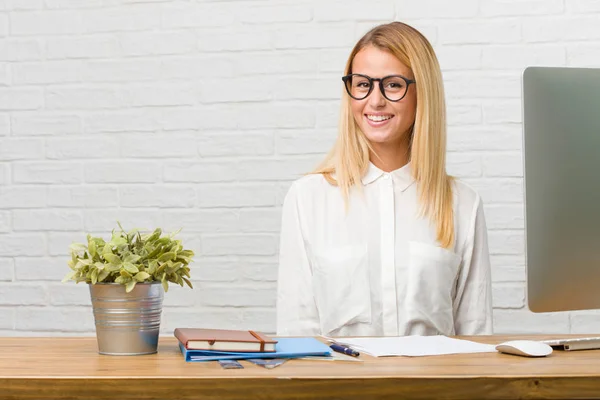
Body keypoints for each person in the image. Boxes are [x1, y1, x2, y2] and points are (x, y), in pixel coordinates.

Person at [275, 22, 492, 337]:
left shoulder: (462, 203)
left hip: (434, 386)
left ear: (423, 93)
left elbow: (476, 335)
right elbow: (296, 330)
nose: (374, 101)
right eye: (362, 84)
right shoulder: (308, 198)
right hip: (341, 385)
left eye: (392, 85)